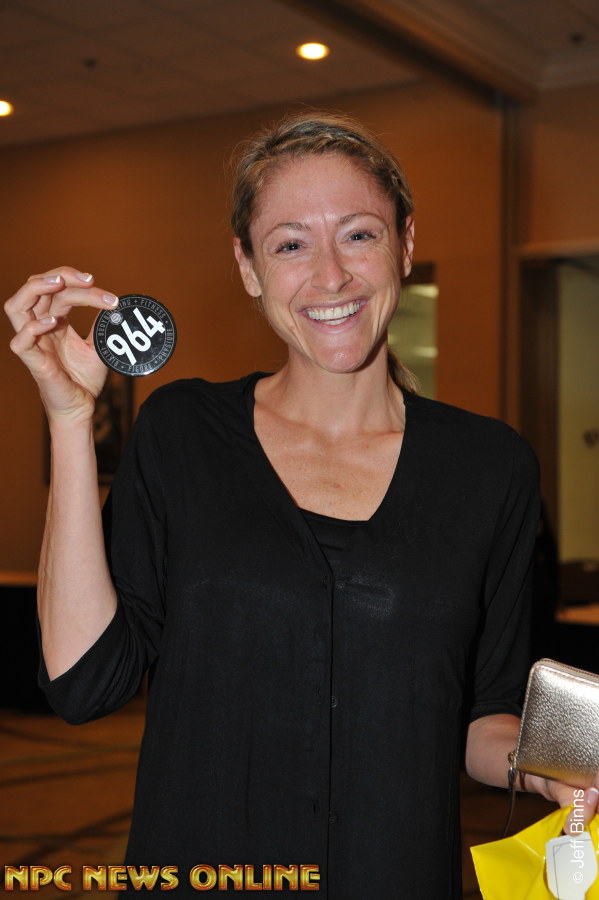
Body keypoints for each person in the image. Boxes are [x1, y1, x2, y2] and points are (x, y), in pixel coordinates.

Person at [5, 110, 599, 898]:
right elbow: (85, 683)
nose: (330, 275)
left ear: (404, 244)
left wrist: (553, 766)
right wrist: (69, 419)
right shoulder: (183, 433)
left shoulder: (490, 468)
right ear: (247, 267)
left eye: (358, 234)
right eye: (290, 245)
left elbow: (482, 716)